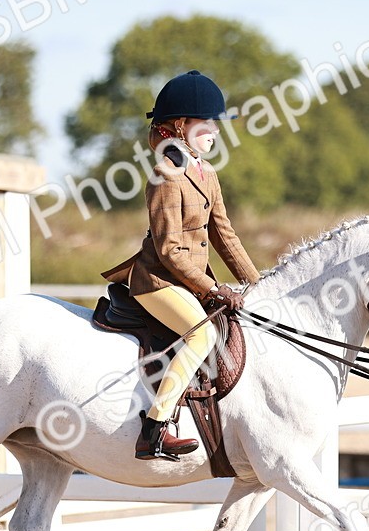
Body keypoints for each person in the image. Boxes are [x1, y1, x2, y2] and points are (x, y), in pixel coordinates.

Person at [102, 70, 261, 461]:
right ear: (179, 126)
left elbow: (225, 235)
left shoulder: (207, 173)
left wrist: (258, 284)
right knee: (201, 336)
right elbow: (170, 249)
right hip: (157, 281)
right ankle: (154, 430)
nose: (215, 132)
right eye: (207, 124)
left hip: (186, 282)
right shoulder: (165, 175)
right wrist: (213, 289)